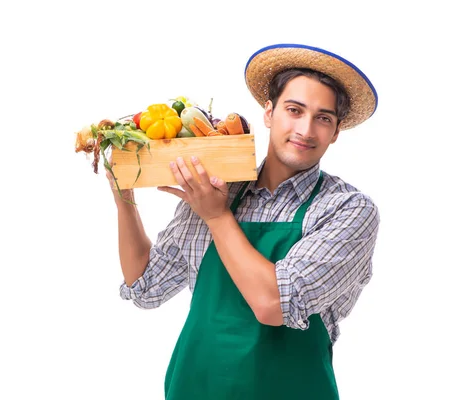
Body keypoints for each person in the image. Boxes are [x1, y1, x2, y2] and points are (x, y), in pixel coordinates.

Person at [106, 43, 380, 399]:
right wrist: (124, 199)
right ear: (269, 112)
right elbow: (145, 284)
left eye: (323, 118)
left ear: (336, 131)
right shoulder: (216, 187)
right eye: (294, 110)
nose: (306, 129)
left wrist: (218, 217)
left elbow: (274, 304)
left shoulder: (347, 210)